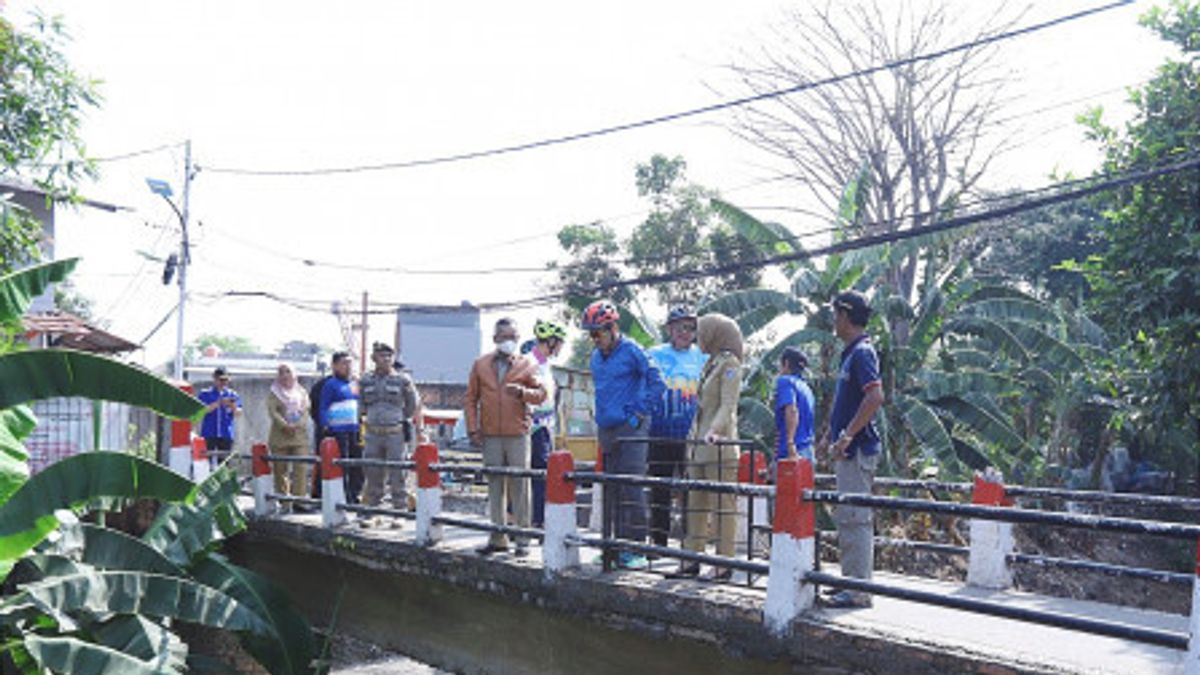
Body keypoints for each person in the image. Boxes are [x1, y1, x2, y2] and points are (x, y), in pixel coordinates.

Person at [582, 300, 665, 570]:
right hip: (607, 429)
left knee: (632, 486)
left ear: (613, 328)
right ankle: (614, 546)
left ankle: (636, 548)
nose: (595, 339)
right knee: (613, 489)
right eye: (591, 334)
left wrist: (639, 414)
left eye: (598, 333)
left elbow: (658, 383)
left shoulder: (633, 351)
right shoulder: (596, 357)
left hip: (631, 429)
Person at [817, 290, 885, 609]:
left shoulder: (862, 352)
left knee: (856, 518)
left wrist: (846, 436)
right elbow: (851, 402)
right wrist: (832, 433)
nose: (833, 320)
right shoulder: (850, 353)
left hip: (857, 450)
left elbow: (875, 398)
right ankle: (850, 582)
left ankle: (858, 591)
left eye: (835, 314)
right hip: (849, 449)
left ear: (845, 316)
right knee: (847, 516)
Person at [465, 318, 547, 557]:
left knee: (520, 486)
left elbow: (542, 394)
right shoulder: (480, 365)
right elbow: (470, 399)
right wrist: (473, 429)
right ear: (495, 339)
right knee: (495, 486)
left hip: (518, 435)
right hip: (490, 434)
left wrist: (523, 392)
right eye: (504, 337)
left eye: (513, 337)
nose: (509, 341)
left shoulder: (527, 364)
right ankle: (497, 537)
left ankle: (523, 539)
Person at [677, 313, 743, 579]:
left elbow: (728, 405)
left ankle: (724, 562)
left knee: (722, 509)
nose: (697, 337)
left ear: (715, 333)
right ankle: (691, 559)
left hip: (719, 447)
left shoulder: (731, 365)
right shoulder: (711, 365)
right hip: (698, 448)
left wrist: (715, 431)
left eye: (701, 331)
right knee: (695, 507)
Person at [646, 305, 707, 548]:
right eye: (680, 326)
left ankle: (690, 546)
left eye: (691, 327)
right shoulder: (654, 354)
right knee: (659, 490)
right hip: (659, 433)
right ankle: (659, 543)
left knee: (691, 492)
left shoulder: (703, 356)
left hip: (691, 436)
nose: (685, 332)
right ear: (669, 329)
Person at [359, 342, 424, 527]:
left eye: (389, 356)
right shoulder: (366, 380)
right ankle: (373, 512)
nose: (386, 359)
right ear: (374, 358)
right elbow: (362, 403)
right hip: (373, 433)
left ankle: (399, 512)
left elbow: (412, 404)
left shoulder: (403, 380)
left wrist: (400, 418)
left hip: (395, 433)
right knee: (373, 473)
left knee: (398, 473)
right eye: (382, 355)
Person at [528, 319, 566, 528]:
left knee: (543, 473)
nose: (561, 348)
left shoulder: (546, 365)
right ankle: (537, 519)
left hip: (546, 426)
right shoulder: (530, 362)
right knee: (538, 474)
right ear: (551, 341)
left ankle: (538, 518)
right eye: (559, 342)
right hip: (534, 427)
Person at [319, 352, 363, 504]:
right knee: (342, 464)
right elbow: (323, 406)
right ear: (335, 365)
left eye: (350, 363)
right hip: (338, 430)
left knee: (357, 463)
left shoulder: (353, 384)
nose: (348, 367)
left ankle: (355, 493)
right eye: (344, 363)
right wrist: (325, 425)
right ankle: (344, 496)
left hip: (354, 430)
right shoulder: (330, 384)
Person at [266, 363, 310, 502]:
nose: (285, 375)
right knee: (280, 470)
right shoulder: (274, 392)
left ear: (294, 374)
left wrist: (297, 425)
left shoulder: (302, 392)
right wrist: (285, 425)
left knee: (301, 468)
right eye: (281, 372)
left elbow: (306, 411)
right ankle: (284, 499)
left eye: (288, 371)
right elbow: (273, 412)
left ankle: (299, 499)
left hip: (299, 435)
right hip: (280, 435)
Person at [774, 346, 815, 465]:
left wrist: (790, 443)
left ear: (786, 363)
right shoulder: (806, 388)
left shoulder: (785, 381)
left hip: (791, 452)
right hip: (807, 450)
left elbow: (792, 410)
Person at [197, 367, 242, 463]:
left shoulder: (233, 394)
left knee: (224, 463)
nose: (223, 383)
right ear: (214, 378)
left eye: (226, 380)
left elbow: (238, 413)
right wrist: (218, 403)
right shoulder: (205, 394)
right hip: (209, 433)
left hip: (226, 433)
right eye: (221, 380)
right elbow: (202, 411)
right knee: (205, 462)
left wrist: (232, 405)